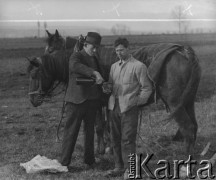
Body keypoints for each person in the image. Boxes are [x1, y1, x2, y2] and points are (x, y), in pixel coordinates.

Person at [103, 37, 152, 179]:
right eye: (117, 50)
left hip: (129, 108)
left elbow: (147, 88)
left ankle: (130, 169)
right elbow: (111, 85)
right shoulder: (114, 67)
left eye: (121, 50)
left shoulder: (138, 66)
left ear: (128, 49)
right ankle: (118, 167)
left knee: (128, 140)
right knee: (115, 138)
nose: (119, 53)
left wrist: (138, 101)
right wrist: (107, 88)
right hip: (113, 107)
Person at [60, 32, 104, 168]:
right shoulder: (76, 56)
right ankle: (64, 163)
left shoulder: (95, 58)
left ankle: (89, 160)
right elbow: (75, 66)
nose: (95, 50)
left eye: (97, 47)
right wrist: (94, 73)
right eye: (93, 47)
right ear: (85, 45)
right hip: (75, 102)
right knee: (71, 132)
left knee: (90, 132)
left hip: (92, 102)